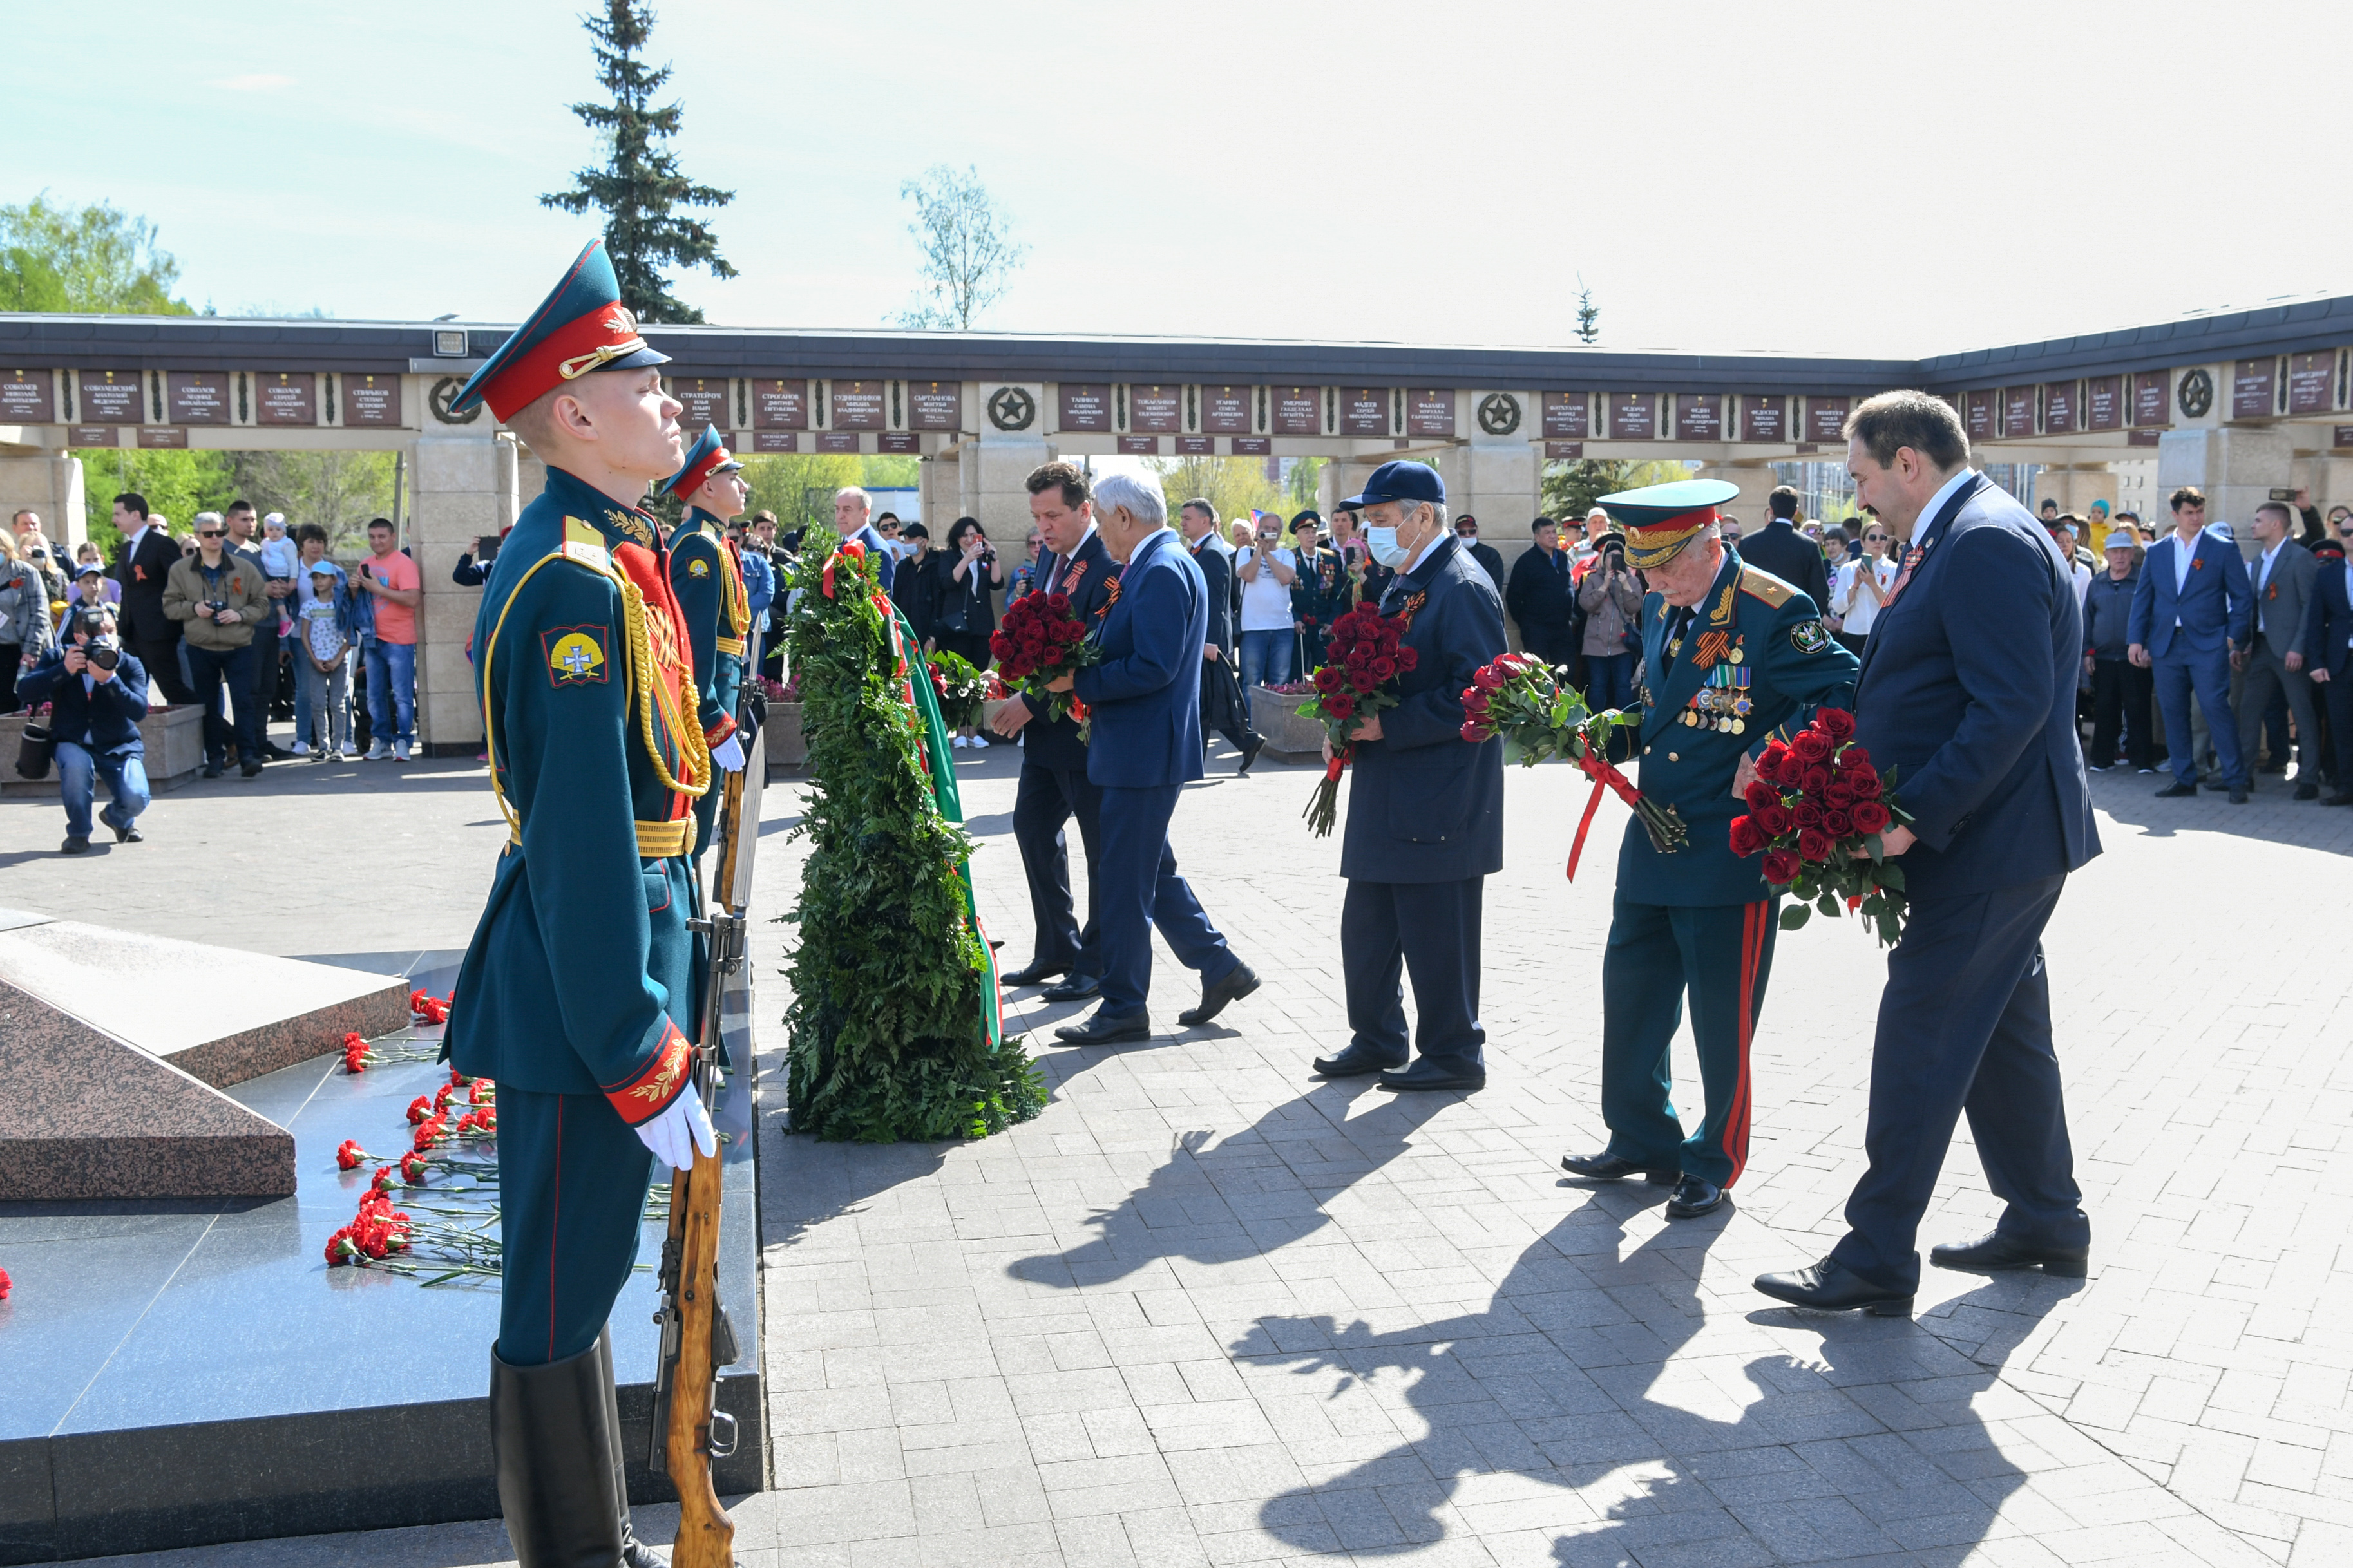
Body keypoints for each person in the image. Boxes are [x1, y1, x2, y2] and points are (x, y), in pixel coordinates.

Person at [441, 238, 712, 1568]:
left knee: (588, 1266)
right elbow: (584, 835)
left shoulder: (607, 552)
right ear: (575, 411)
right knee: (553, 1289)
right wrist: (632, 1031)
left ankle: (594, 1536)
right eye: (641, 378)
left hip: (621, 956)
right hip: (581, 983)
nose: (672, 398)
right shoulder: (566, 578)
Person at [1755, 390, 2097, 1316]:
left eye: (1861, 476)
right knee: (2001, 1036)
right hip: (1996, 840)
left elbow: (2011, 704)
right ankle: (2046, 1219)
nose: (1857, 495)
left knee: (1922, 1029)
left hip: (1990, 841)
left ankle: (1873, 1252)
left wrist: (1911, 816)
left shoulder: (1982, 538)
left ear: (1908, 461)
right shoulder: (1961, 532)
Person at [1561, 479, 1858, 1219]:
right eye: (1642, 566)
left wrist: (1778, 750)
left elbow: (1847, 692)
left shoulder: (1771, 608)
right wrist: (1607, 731)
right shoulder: (1666, 603)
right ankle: (1640, 1135)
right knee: (1630, 994)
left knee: (1720, 1019)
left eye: (1661, 564)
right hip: (1652, 838)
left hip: (1729, 848)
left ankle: (1712, 1158)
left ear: (1709, 545)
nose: (1648, 581)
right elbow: (1664, 710)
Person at [1305, 460, 1505, 1093]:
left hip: (1438, 791)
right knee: (1366, 925)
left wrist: (1385, 727)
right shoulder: (1403, 579)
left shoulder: (1461, 584)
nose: (1371, 534)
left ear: (1423, 516)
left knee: (1435, 929)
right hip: (1388, 785)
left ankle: (1453, 1050)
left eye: (1382, 520)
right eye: (1367, 522)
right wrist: (1346, 717)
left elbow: (1480, 697)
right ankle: (1377, 1036)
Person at [1048, 473, 1259, 1045]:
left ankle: (1122, 1005)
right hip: (1137, 747)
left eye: (1101, 521)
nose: (1099, 534)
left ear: (1122, 516)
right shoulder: (1155, 560)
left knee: (1121, 882)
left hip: (1143, 750)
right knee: (1150, 871)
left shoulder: (1162, 567)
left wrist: (1080, 679)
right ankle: (1220, 967)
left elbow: (1154, 666)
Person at [992, 462, 1116, 1002]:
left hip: (1082, 730)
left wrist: (1031, 703)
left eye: (1053, 515)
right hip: (1045, 739)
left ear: (1084, 510)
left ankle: (1097, 961)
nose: (1043, 526)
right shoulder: (1050, 556)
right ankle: (1057, 945)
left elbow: (1089, 653)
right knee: (1032, 827)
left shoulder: (1105, 562)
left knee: (1100, 850)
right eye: (1037, 516)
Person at [657, 424, 754, 853]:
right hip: (706, 706)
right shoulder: (699, 546)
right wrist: (712, 720)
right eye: (732, 477)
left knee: (704, 819)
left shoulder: (711, 539)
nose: (743, 485)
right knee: (693, 825)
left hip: (722, 692)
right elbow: (692, 643)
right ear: (708, 487)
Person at [2128, 486, 2253, 802]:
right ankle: (2185, 777)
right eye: (2189, 513)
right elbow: (2144, 599)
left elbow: (2242, 597)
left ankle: (2236, 779)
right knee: (2173, 712)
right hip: (2167, 644)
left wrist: (2233, 636)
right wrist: (2135, 640)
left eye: (2200, 512)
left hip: (2209, 643)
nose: (2196, 518)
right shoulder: (2157, 552)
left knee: (2215, 708)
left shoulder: (2222, 549)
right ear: (2175, 515)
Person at [19, 603, 150, 854]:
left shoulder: (128, 663)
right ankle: (79, 833)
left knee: (137, 797)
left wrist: (110, 681)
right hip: (72, 740)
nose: (108, 639)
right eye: (100, 634)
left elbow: (139, 710)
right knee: (77, 768)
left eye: (112, 631)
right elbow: (25, 691)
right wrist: (64, 670)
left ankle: (118, 818)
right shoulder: (60, 656)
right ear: (79, 638)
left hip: (119, 744)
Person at [163, 511, 271, 778]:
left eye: (219, 533)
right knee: (208, 704)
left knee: (244, 702)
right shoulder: (181, 569)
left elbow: (262, 604)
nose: (215, 539)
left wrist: (240, 615)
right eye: (208, 534)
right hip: (201, 646)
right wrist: (194, 608)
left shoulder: (244, 567)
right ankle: (214, 757)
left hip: (239, 645)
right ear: (197, 536)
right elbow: (169, 607)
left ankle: (248, 755)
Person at [2235, 500, 2321, 798]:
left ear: (2276, 524)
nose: (2253, 525)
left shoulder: (2300, 558)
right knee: (2249, 713)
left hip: (2290, 651)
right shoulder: (2258, 561)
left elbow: (2311, 607)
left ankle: (2309, 778)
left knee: (2303, 714)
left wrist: (2299, 647)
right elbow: (2253, 608)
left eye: (2259, 520)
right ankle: (2243, 776)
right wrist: (2243, 644)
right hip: (2260, 648)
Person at [1180, 498, 1265, 772]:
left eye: (1188, 518)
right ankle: (1248, 741)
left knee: (1205, 702)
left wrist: (1210, 641)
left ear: (1205, 521)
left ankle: (1193, 763)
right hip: (1202, 640)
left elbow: (1217, 601)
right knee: (1211, 699)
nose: (1182, 522)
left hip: (1208, 642)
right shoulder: (1199, 549)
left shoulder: (1212, 552)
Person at [109, 492, 192, 704]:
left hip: (158, 632)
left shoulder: (161, 544)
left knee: (173, 690)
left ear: (135, 514)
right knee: (129, 691)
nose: (114, 519)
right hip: (132, 633)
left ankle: (225, 734)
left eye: (119, 514)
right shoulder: (127, 548)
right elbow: (128, 592)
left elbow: (180, 583)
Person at [2082, 527, 2153, 773]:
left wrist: (2148, 648)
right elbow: (2087, 619)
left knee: (2138, 708)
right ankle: (2102, 760)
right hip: (2102, 658)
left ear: (2132, 553)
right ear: (2106, 555)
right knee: (2104, 709)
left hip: (2134, 658)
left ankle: (2142, 760)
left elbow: (2153, 617)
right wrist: (2087, 652)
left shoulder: (2144, 580)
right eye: (2115, 552)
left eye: (2125, 551)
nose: (2120, 557)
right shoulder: (2097, 583)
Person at [352, 517, 421, 761]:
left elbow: (413, 599)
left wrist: (378, 590)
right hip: (372, 639)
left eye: (382, 536)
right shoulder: (365, 564)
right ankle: (381, 741)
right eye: (372, 537)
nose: (376, 541)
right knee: (374, 695)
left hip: (400, 640)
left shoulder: (404, 563)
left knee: (402, 696)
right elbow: (359, 603)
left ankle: (404, 742)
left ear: (393, 537)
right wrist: (353, 589)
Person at [287, 525, 351, 757]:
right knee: (308, 694)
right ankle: (308, 740)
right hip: (307, 643)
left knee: (339, 698)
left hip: (336, 648)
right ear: (301, 545)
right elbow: (290, 612)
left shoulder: (336, 574)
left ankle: (343, 742)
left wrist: (340, 654)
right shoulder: (293, 570)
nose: (315, 546)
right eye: (310, 541)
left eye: (320, 542)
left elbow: (348, 618)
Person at [2301, 535, 2353, 804]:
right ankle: (2346, 787)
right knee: (2341, 728)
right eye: (2345, 532)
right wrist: (2318, 662)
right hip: (2339, 662)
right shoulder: (2328, 574)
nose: (2351, 537)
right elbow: (2315, 620)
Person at [1576, 531, 1644, 710]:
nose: (1614, 560)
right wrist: (1604, 586)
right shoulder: (1592, 579)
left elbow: (1636, 607)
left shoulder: (1633, 581)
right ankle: (1594, 723)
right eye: (1611, 556)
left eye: (1619, 557)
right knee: (1597, 685)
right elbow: (1585, 604)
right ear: (1604, 558)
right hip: (1596, 643)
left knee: (1623, 685)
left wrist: (1626, 586)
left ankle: (1625, 725)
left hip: (1622, 644)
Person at [1505, 516, 1583, 671]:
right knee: (1537, 674)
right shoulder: (1527, 561)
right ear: (1537, 536)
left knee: (1566, 672)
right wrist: (1525, 623)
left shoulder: (1562, 557)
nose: (1553, 536)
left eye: (1554, 532)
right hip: (1536, 628)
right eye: (1547, 533)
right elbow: (1513, 596)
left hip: (1562, 627)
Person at [1739, 486, 1832, 611]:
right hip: (1794, 618)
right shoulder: (1809, 546)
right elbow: (1820, 592)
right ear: (1796, 511)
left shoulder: (1747, 543)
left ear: (1771, 510)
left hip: (1757, 619)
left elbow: (1738, 586)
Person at [933, 516, 1004, 675]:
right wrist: (967, 559)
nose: (969, 539)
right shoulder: (949, 557)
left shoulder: (983, 557)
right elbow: (948, 583)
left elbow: (996, 583)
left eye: (973, 535)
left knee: (978, 674)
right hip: (957, 627)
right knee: (957, 675)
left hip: (982, 625)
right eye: (965, 535)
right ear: (957, 537)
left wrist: (995, 558)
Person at [1235, 511, 1298, 689]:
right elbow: (1248, 575)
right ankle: (1253, 718)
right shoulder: (1245, 552)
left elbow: (1286, 578)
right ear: (1257, 530)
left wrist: (1268, 554)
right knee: (1251, 682)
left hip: (1282, 627)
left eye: (1274, 529)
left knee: (1279, 682)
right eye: (1265, 528)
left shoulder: (1287, 555)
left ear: (1279, 534)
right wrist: (1259, 551)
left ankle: (1275, 718)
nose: (1269, 532)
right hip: (1253, 627)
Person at [0, 531, 55, 711]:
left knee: (22, 705)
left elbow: (40, 613)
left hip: (24, 650)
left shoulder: (26, 572)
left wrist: (32, 650)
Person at [1827, 519, 1898, 656]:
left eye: (1883, 538)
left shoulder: (1893, 569)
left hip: (1882, 632)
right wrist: (1855, 586)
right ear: (1862, 542)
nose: (1878, 541)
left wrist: (1872, 584)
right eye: (1872, 538)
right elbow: (1838, 608)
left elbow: (1893, 606)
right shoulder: (1848, 569)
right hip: (1854, 633)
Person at [1289, 511, 1344, 671]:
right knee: (1297, 673)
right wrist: (1295, 619)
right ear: (1298, 535)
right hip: (1300, 627)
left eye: (1314, 532)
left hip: (1323, 627)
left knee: (1324, 674)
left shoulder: (1330, 558)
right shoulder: (1290, 558)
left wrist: (1332, 621)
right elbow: (1285, 595)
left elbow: (1337, 595)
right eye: (1306, 532)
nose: (1311, 536)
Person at [830, 487, 897, 592]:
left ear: (865, 513)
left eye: (847, 509)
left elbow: (881, 603)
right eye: (837, 509)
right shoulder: (840, 546)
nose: (840, 516)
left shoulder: (876, 550)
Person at [891, 522, 938, 646]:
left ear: (924, 542)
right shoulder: (903, 567)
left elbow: (938, 603)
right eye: (905, 539)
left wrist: (932, 637)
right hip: (906, 634)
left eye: (911, 539)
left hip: (928, 634)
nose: (907, 543)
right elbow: (897, 600)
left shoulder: (935, 565)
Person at [1452, 512, 1506, 590]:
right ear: (1456, 533)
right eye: (1462, 532)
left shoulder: (1491, 555)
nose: (1467, 535)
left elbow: (1496, 586)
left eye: (1472, 531)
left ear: (1477, 532)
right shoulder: (1451, 555)